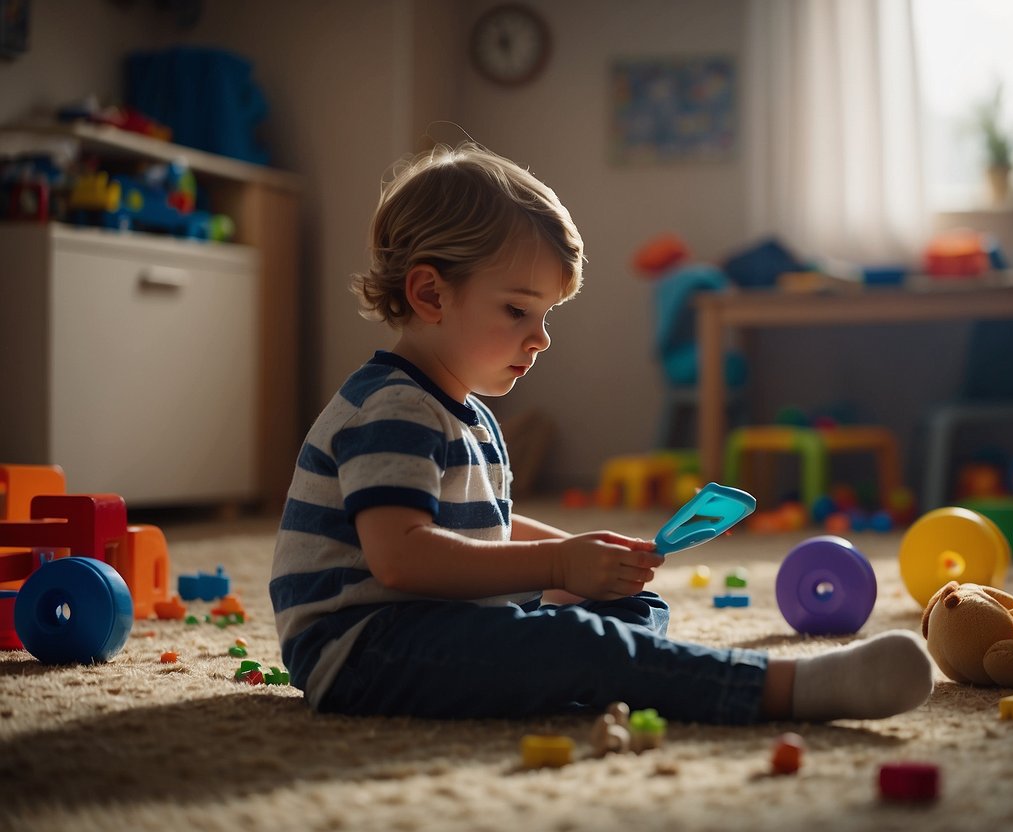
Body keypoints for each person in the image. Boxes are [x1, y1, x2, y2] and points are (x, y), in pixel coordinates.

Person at [270, 142, 934, 724]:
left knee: (627, 613)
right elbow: (402, 558)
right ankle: (785, 689)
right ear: (430, 295)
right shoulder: (395, 408)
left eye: (547, 313)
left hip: (423, 624)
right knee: (580, 645)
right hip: (359, 647)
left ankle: (599, 664)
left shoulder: (462, 410)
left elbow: (485, 529)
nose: (541, 337)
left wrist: (585, 559)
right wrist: (560, 567)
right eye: (517, 310)